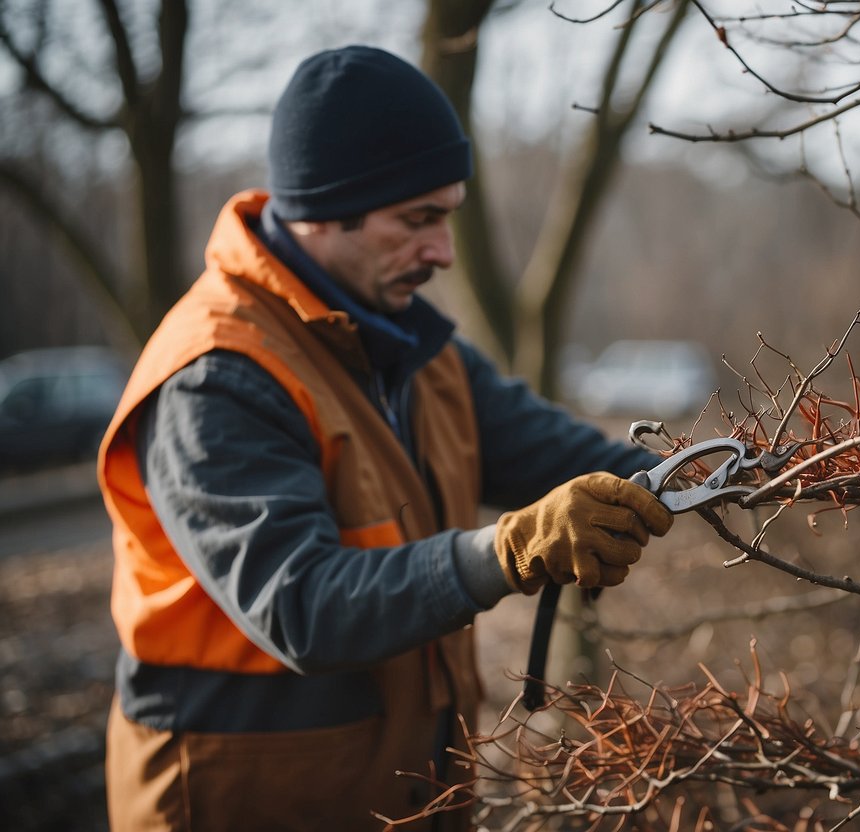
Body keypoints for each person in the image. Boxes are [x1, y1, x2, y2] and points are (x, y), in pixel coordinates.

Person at [97, 44, 673, 831]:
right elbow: (300, 605)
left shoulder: (410, 345)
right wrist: (506, 551)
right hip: (242, 801)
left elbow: (562, 456)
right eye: (416, 220)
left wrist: (752, 471)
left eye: (446, 217)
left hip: (400, 794)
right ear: (326, 208)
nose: (442, 251)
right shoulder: (216, 374)